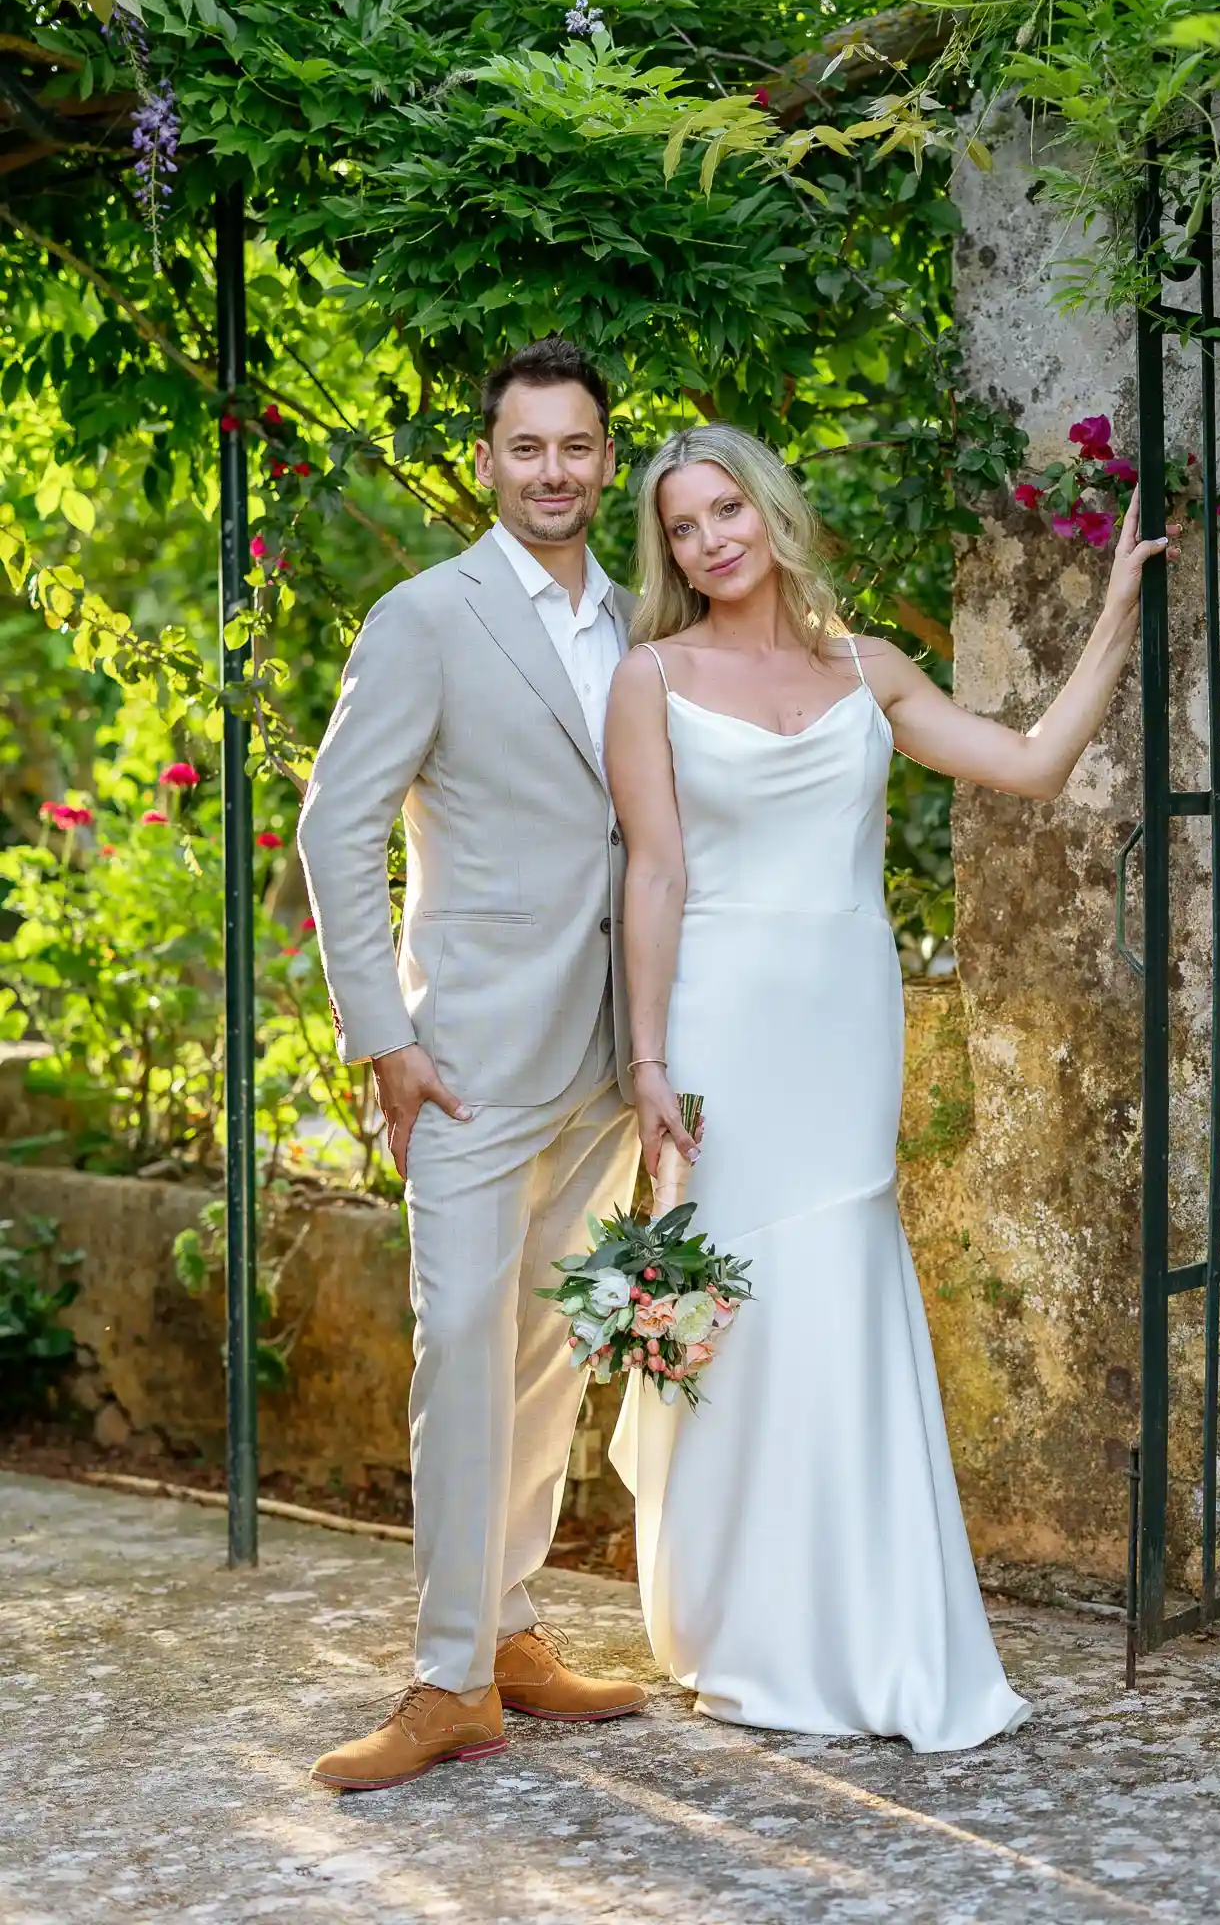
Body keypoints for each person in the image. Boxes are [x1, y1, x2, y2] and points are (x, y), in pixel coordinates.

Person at [605, 427, 1173, 1746]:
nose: (709, 542)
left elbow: (1030, 763)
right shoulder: (652, 677)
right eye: (683, 528)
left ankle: (866, 1620)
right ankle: (738, 1620)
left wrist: (1119, 613)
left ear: (768, 510)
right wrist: (645, 1063)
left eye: (725, 510)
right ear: (671, 553)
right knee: (729, 1308)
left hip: (844, 1027)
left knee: (841, 1279)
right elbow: (654, 877)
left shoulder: (871, 669)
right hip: (719, 1030)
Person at [298, 338, 646, 1792]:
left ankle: (509, 1636)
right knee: (458, 1348)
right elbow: (337, 825)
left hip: (610, 1053)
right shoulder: (426, 616)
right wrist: (384, 1037)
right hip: (469, 1059)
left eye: (577, 447)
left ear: (605, 461)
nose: (553, 471)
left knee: (552, 1351)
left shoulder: (642, 617)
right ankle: (444, 1681)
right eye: (527, 448)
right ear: (488, 460)